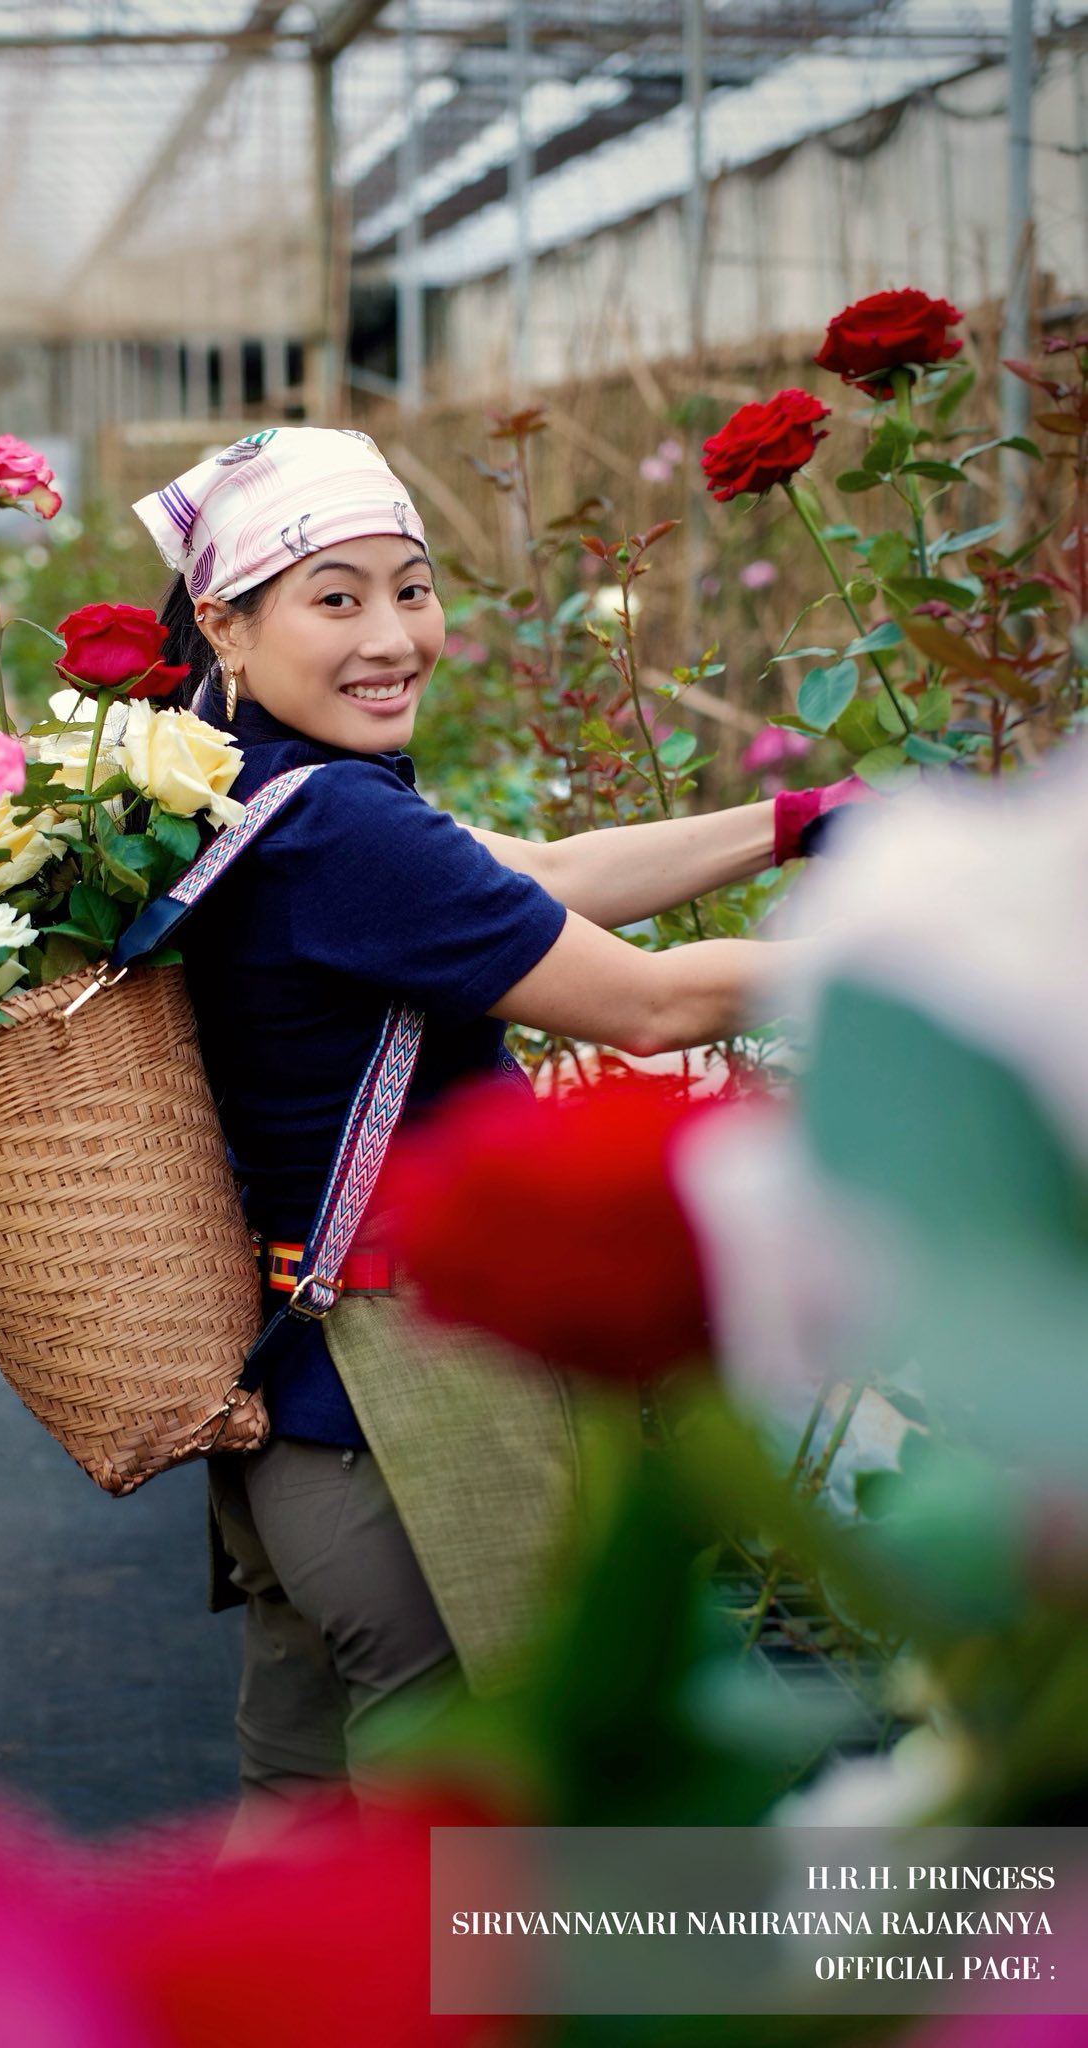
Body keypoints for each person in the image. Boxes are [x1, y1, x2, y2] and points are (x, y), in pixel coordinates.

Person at [131, 427, 863, 1845]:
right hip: (410, 1413)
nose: (393, 635)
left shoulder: (237, 783)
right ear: (224, 619)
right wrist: (913, 943)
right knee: (479, 1852)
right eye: (334, 598)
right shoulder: (338, 825)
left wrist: (795, 821)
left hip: (295, 1411)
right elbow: (645, 1007)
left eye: (410, 588)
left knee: (303, 1820)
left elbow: (540, 875)